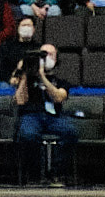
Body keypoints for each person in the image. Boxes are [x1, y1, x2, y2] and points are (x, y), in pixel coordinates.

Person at [11, 37, 78, 183]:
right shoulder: (27, 79)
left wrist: (42, 77)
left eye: (50, 54)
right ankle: (35, 174)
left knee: (70, 132)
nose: (46, 58)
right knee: (28, 134)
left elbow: (59, 97)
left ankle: (56, 172)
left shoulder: (60, 81)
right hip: (31, 115)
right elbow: (20, 100)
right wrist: (25, 75)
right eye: (43, 54)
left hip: (54, 117)